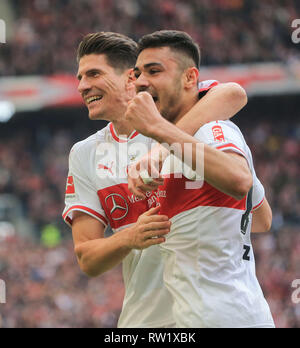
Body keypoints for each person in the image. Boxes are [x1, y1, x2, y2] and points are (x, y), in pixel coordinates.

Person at [62, 32, 264, 328]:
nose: (82, 86)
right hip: (144, 321)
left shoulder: (181, 122)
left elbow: (233, 93)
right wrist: (130, 237)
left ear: (132, 78)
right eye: (80, 77)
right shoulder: (85, 154)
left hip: (214, 313)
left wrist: (159, 149)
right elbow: (87, 258)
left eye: (94, 74)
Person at [125, 30, 275, 328]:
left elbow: (238, 180)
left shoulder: (213, 130)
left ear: (190, 78)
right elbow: (262, 219)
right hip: (214, 315)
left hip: (224, 317)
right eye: (139, 73)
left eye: (155, 71)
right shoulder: (176, 148)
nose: (142, 81)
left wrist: (159, 132)